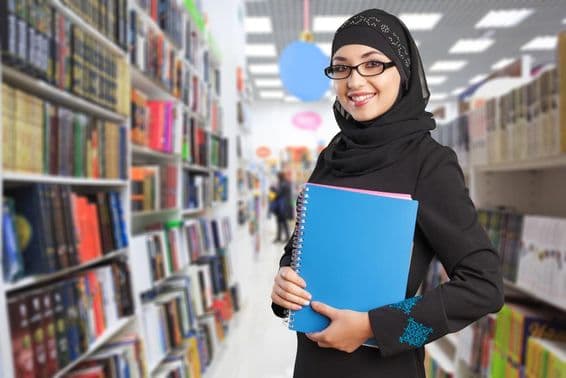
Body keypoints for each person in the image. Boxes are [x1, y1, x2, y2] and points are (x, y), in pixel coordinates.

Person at [270, 8, 504, 378]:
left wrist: (375, 328)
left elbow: (484, 286)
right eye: (341, 67)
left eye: (373, 64)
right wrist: (284, 282)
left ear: (403, 71)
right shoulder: (332, 155)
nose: (355, 80)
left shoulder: (429, 163)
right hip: (312, 364)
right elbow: (301, 247)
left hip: (381, 369)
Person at [273, 171, 292, 243]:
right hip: (283, 206)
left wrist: (274, 189)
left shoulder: (283, 184)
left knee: (282, 222)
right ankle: (280, 237)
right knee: (281, 222)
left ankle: (284, 237)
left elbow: (278, 194)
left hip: (282, 206)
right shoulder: (286, 183)